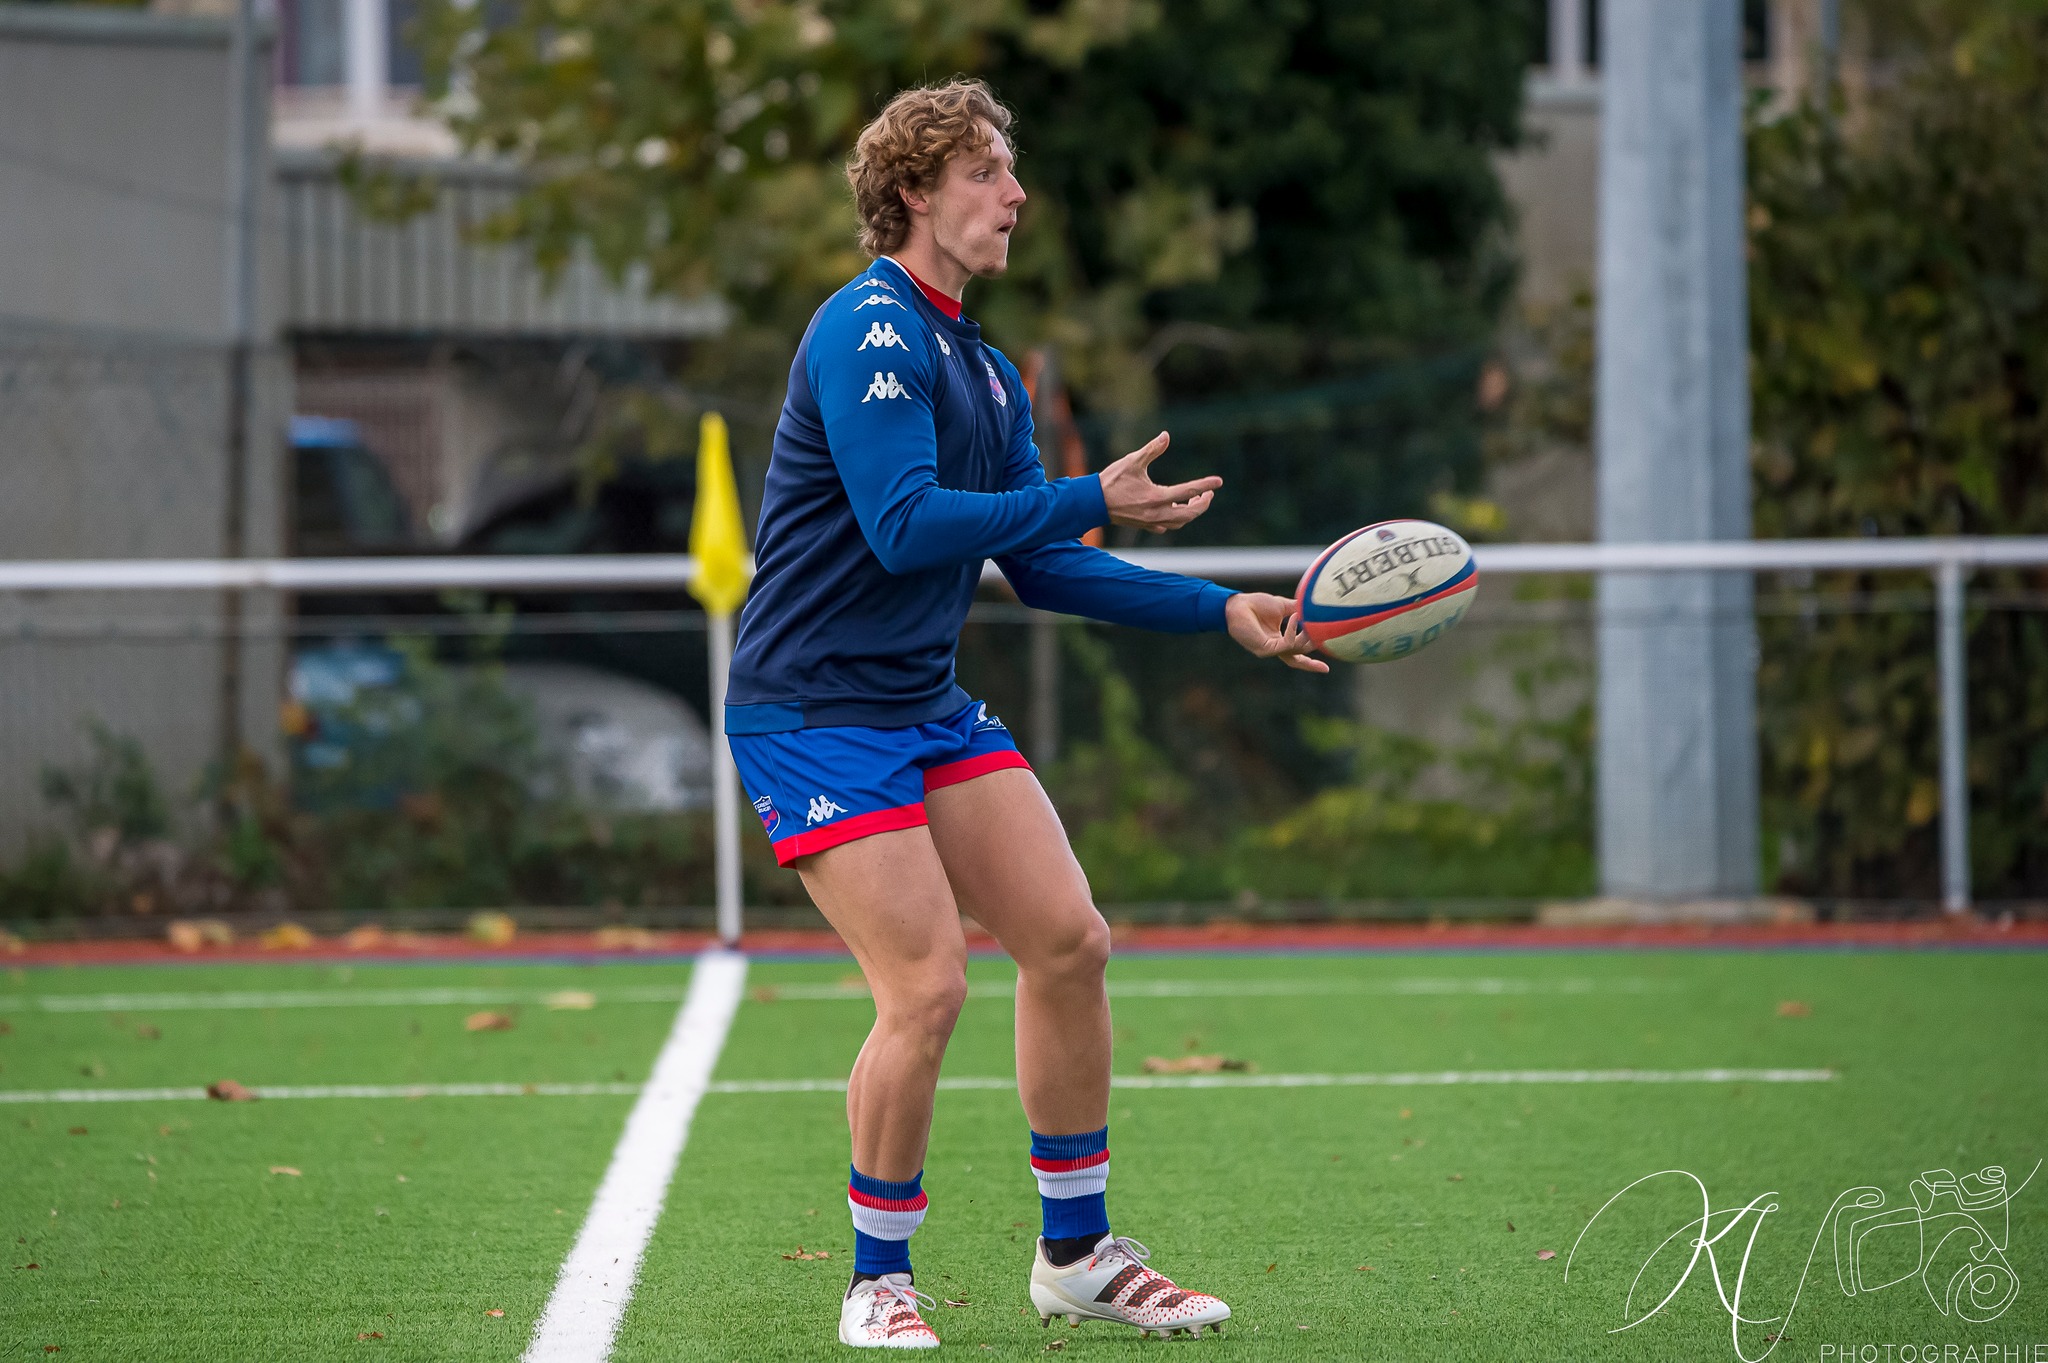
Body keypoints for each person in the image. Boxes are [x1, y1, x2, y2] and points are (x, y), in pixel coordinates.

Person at [725, 77, 1326, 1350]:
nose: (1015, 194)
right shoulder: (868, 330)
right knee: (927, 984)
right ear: (914, 193)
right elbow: (902, 531)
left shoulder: (986, 367)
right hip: (809, 713)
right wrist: (1080, 493)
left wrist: (1220, 611)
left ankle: (1076, 1254)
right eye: (987, 171)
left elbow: (1043, 563)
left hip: (918, 707)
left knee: (1068, 939)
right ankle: (876, 1276)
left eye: (1008, 171)